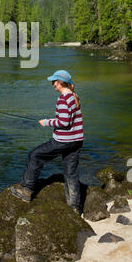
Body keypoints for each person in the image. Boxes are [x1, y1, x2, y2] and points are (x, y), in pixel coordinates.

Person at [10, 70, 83, 214]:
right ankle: (74, 207)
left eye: (54, 81)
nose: (53, 84)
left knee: (35, 155)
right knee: (71, 173)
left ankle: (26, 190)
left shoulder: (63, 99)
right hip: (77, 140)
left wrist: (46, 122)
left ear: (61, 82)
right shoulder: (74, 96)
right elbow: (69, 119)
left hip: (63, 141)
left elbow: (63, 122)